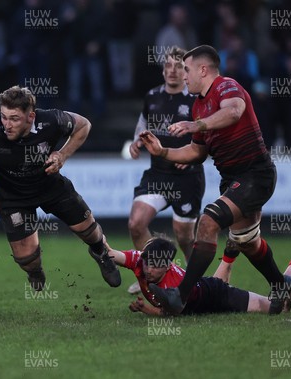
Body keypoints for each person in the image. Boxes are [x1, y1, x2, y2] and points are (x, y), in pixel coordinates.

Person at [138, 45, 287, 315]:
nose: (183, 76)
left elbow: (234, 111)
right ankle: (281, 285)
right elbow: (196, 151)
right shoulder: (198, 105)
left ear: (203, 70)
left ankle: (180, 296)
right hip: (232, 179)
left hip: (255, 174)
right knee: (247, 242)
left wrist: (198, 125)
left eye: (186, 69)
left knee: (207, 222)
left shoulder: (226, 86)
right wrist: (163, 151)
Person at [0, 85, 121, 290]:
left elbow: (84, 125)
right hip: (11, 195)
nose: (7, 124)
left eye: (14, 118)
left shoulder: (51, 121)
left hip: (49, 185)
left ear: (31, 116)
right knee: (26, 258)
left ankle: (100, 252)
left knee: (87, 230)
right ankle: (35, 270)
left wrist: (62, 154)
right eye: (4, 117)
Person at [126, 46, 205, 294]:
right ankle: (154, 274)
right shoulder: (152, 96)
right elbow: (143, 125)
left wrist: (194, 158)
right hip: (158, 174)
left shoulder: (196, 100)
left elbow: (212, 137)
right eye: (168, 65)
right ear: (162, 70)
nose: (172, 71)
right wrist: (137, 141)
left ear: (186, 72)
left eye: (178, 66)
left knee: (184, 237)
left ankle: (196, 282)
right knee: (136, 223)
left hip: (187, 178)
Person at [107, 235, 291, 316]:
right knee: (213, 281)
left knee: (280, 307)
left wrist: (145, 309)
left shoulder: (173, 284)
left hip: (218, 296)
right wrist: (96, 242)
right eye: (146, 262)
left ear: (167, 265)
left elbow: (170, 313)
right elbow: (111, 254)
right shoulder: (140, 259)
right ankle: (229, 253)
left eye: (154, 266)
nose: (147, 269)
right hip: (205, 286)